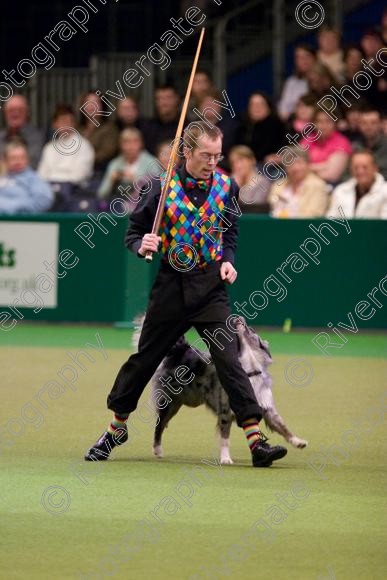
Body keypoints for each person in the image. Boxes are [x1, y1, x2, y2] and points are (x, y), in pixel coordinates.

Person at [84, 121, 287, 468]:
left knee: (229, 360)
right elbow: (133, 232)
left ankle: (255, 440)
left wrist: (228, 261)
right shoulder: (160, 188)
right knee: (144, 361)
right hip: (171, 289)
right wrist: (141, 243)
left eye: (217, 155)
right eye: (206, 155)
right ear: (187, 152)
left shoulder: (227, 187)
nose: (213, 162)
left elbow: (231, 233)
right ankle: (116, 428)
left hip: (210, 288)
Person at [38, 105, 95, 186]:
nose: (65, 125)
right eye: (62, 121)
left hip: (75, 190)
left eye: (69, 121)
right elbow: (42, 174)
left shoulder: (84, 145)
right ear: (55, 124)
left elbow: (80, 175)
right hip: (49, 188)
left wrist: (56, 181)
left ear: (74, 124)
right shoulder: (48, 148)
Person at [97, 128, 157, 204]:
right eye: (126, 142)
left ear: (141, 143)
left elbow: (155, 192)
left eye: (135, 142)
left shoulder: (151, 163)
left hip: (142, 207)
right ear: (120, 145)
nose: (130, 146)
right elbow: (101, 194)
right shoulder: (115, 164)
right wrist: (112, 181)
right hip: (117, 206)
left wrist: (136, 180)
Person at [268, 147, 329, 218]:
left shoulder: (318, 185)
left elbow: (315, 214)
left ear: (307, 164)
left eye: (299, 162)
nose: (295, 167)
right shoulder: (278, 185)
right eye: (290, 163)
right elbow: (272, 209)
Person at [327, 150, 387, 218]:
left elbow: (384, 222)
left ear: (375, 168)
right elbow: (331, 218)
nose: (360, 171)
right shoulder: (340, 191)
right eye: (356, 168)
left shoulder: (385, 191)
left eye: (365, 167)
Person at [300, 109, 352, 185]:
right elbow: (295, 165)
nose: (323, 126)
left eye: (328, 122)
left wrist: (307, 168)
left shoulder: (342, 142)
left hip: (330, 186)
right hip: (304, 183)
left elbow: (331, 175)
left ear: (335, 124)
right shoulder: (308, 139)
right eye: (319, 121)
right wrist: (324, 165)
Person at [0, 141, 53, 214]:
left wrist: (16, 208)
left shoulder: (34, 179)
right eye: (13, 158)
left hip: (22, 221)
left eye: (22, 158)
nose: (18, 161)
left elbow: (43, 201)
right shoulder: (2, 177)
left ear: (27, 160)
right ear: (5, 160)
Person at [236, 92, 287, 166]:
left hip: (270, 167)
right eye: (253, 105)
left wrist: (279, 158)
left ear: (268, 107)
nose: (256, 107)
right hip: (245, 165)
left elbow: (287, 151)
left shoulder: (279, 126)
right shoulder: (241, 126)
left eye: (260, 104)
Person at [78, 91, 119, 173]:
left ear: (102, 106)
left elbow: (107, 152)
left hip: (100, 171)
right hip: (75, 170)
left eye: (96, 102)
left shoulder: (110, 128)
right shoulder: (78, 129)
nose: (92, 106)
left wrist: (84, 160)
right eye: (88, 103)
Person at [0, 95, 44, 169]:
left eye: (20, 110)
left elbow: (33, 163)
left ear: (27, 113)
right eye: (11, 110)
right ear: (5, 113)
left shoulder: (36, 136)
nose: (15, 114)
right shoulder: (1, 136)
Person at [277, 44, 317, 121]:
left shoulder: (323, 79)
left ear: (314, 58)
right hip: (294, 122)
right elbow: (283, 108)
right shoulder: (291, 82)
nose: (303, 60)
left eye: (307, 56)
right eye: (299, 58)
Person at [229, 145, 271, 211]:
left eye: (241, 160)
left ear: (252, 160)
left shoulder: (263, 183)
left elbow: (254, 208)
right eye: (233, 162)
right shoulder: (230, 182)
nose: (237, 165)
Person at [143, 85, 181, 154]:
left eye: (168, 98)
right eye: (160, 99)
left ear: (176, 99)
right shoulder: (147, 127)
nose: (164, 103)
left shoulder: (187, 126)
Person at [356, 107, 387, 179]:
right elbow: (347, 174)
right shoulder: (355, 146)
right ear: (359, 125)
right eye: (364, 123)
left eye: (373, 123)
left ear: (380, 124)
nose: (368, 127)